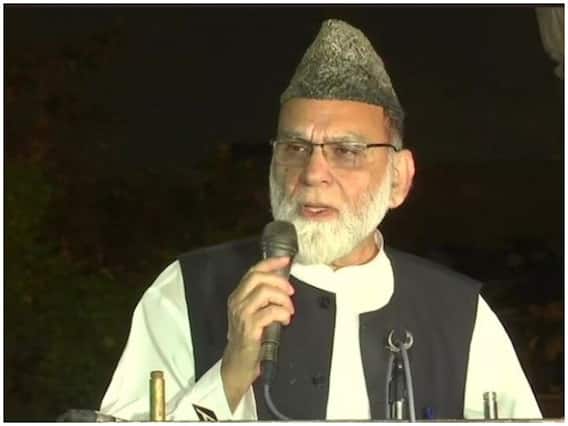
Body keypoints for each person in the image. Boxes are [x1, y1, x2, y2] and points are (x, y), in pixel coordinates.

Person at [100, 19, 542, 421]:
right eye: (295, 148)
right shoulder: (188, 290)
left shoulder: (458, 313)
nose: (313, 173)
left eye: (346, 151)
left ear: (399, 178)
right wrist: (230, 376)